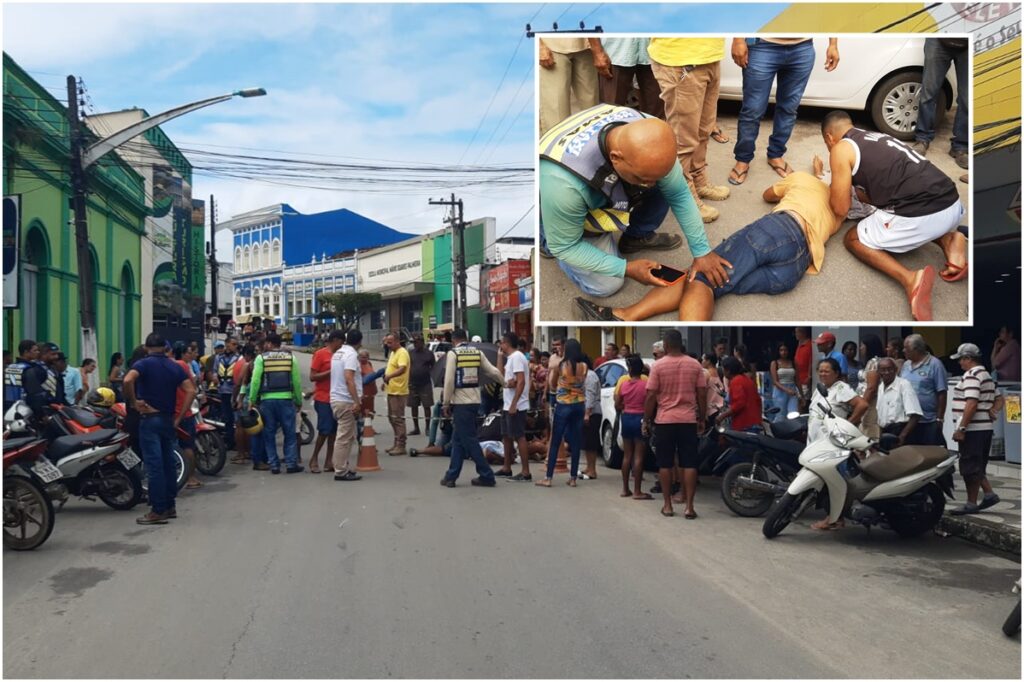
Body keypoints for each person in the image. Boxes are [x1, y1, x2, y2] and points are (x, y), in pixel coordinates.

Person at [574, 172, 842, 322]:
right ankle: (624, 315)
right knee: (712, 279)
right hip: (795, 268)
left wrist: (809, 176)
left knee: (703, 275)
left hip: (779, 231)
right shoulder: (840, 208)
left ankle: (624, 316)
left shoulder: (805, 179)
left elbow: (768, 195)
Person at [539, 104, 730, 299]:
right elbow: (566, 246)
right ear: (616, 158)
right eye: (643, 178)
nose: (651, 185)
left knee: (662, 182)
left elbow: (679, 194)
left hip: (590, 183)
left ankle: (636, 236)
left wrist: (702, 252)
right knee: (607, 285)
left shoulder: (652, 134)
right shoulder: (563, 183)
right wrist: (626, 268)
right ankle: (545, 234)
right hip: (563, 197)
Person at [822, 110, 967, 321]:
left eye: (827, 144)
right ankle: (948, 240)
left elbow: (840, 208)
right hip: (952, 203)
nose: (829, 149)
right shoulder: (877, 136)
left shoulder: (840, 149)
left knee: (853, 239)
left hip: (923, 213)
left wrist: (837, 188)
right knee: (896, 204)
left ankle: (910, 279)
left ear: (829, 137)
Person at [728, 37, 839, 185]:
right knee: (753, 109)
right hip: (763, 46)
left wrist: (833, 44)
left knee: (788, 109)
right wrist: (738, 39)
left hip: (802, 47)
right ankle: (743, 159)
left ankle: (775, 154)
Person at [648, 38, 731, 223]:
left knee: (704, 130)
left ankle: (698, 179)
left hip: (710, 56)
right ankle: (684, 196)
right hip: (680, 60)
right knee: (683, 140)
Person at [123, 333, 195, 525]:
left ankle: (158, 510)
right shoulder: (174, 366)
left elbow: (128, 380)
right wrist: (179, 417)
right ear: (165, 348)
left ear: (147, 348)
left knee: (154, 466)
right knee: (168, 463)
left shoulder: (143, 364)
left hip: (150, 418)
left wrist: (134, 402)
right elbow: (191, 390)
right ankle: (170, 505)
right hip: (168, 419)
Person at [644, 330, 706, 519]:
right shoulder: (695, 364)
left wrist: (646, 419)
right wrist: (702, 418)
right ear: (681, 343)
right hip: (688, 420)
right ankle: (689, 507)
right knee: (689, 464)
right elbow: (702, 393)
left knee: (665, 464)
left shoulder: (658, 366)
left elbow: (651, 395)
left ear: (665, 345)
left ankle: (668, 505)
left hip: (665, 421)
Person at [439, 328, 504, 487]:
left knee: (469, 440)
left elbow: (449, 380)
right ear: (466, 339)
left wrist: (446, 402)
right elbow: (493, 371)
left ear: (453, 340)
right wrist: (505, 383)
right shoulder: (477, 353)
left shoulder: (453, 354)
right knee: (458, 440)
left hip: (461, 403)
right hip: (475, 400)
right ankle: (451, 476)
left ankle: (487, 475)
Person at [948, 343, 1001, 515]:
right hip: (984, 428)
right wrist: (992, 411)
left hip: (973, 429)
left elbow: (971, 403)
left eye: (961, 359)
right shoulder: (986, 375)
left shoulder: (972, 375)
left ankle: (971, 503)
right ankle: (989, 494)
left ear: (968, 358)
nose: (959, 363)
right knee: (977, 465)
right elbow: (1000, 398)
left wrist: (962, 428)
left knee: (970, 467)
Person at [249, 333, 303, 474]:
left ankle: (274, 464)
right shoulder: (291, 358)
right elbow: (296, 382)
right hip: (286, 400)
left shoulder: (261, 358)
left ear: (269, 344)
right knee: (289, 433)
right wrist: (298, 400)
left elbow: (255, 381)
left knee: (269, 433)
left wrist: (252, 400)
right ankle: (291, 464)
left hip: (267, 401)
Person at [911, 38, 968, 170]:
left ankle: (961, 147)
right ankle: (922, 139)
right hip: (938, 40)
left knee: (967, 100)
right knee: (928, 94)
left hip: (970, 44)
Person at [537, 338, 588, 487]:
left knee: (555, 441)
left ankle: (548, 478)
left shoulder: (561, 365)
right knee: (576, 442)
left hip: (563, 404)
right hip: (579, 404)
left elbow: (552, 384)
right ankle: (573, 478)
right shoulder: (584, 366)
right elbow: (582, 382)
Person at [538, 37, 610, 135]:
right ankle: (557, 143)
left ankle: (591, 143)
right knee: (556, 115)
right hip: (551, 46)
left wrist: (598, 50)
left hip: (586, 45)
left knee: (591, 110)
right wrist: (539, 46)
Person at [496, 332, 533, 481]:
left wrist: (514, 404)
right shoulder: (510, 358)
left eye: (501, 343)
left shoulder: (517, 357)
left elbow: (521, 381)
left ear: (506, 343)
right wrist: (499, 357)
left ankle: (525, 472)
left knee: (519, 436)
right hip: (507, 403)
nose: (500, 345)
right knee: (506, 435)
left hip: (516, 405)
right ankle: (507, 467)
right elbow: (499, 376)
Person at [900, 333, 948, 447]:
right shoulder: (906, 365)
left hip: (928, 420)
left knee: (931, 452)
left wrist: (940, 419)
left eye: (906, 348)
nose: (903, 350)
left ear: (916, 349)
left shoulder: (935, 364)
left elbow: (942, 393)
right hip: (908, 421)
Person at [329, 329, 364, 482]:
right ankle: (340, 471)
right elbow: (349, 378)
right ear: (360, 342)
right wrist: (356, 401)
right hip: (345, 400)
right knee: (344, 437)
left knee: (347, 436)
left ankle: (342, 466)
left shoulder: (338, 353)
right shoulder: (351, 355)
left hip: (337, 398)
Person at [598, 37, 664, 118]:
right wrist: (597, 51)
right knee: (611, 112)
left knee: (656, 113)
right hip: (615, 53)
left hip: (654, 51)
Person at [807, 357, 868, 444]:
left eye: (827, 371)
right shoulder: (820, 388)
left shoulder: (841, 387)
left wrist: (847, 426)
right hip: (815, 440)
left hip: (832, 440)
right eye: (821, 371)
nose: (823, 374)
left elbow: (862, 405)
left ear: (836, 373)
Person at [308, 330, 344, 474]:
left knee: (334, 432)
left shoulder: (340, 355)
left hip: (337, 397)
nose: (342, 345)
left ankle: (329, 460)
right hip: (323, 397)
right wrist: (330, 372)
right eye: (341, 342)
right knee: (324, 430)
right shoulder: (320, 354)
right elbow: (312, 376)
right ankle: (314, 458)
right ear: (335, 340)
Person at [615, 355, 651, 499]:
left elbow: (617, 404)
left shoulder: (624, 384)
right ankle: (637, 491)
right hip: (640, 418)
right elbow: (650, 402)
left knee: (627, 455)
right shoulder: (645, 384)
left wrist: (625, 407)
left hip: (627, 418)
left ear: (629, 369)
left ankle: (625, 489)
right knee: (638, 456)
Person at [172, 343, 203, 490]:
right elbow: (192, 387)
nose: (191, 355)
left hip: (171, 411)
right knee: (188, 446)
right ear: (183, 353)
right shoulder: (183, 366)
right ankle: (190, 477)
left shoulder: (169, 365)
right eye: (189, 352)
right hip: (184, 410)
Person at [875, 358, 923, 445]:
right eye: (883, 370)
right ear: (878, 372)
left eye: (890, 369)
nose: (886, 372)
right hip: (884, 433)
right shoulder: (879, 388)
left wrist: (902, 436)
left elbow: (915, 415)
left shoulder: (904, 385)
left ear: (896, 370)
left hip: (900, 432)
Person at [382, 333, 410, 456]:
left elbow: (402, 368)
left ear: (397, 341)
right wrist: (385, 381)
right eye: (386, 342)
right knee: (392, 418)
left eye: (390, 342)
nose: (387, 345)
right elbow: (391, 368)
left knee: (398, 418)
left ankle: (401, 445)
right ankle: (396, 442)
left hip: (399, 390)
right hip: (391, 389)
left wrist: (389, 376)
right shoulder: (393, 353)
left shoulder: (402, 352)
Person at [717, 356, 762, 432]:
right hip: (754, 421)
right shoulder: (746, 379)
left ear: (728, 371)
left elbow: (739, 404)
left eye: (723, 369)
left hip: (743, 423)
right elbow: (758, 400)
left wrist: (722, 416)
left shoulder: (736, 381)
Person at [213, 338, 241, 452]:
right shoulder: (218, 358)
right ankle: (230, 441)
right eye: (228, 345)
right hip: (223, 390)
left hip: (234, 391)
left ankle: (238, 442)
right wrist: (215, 377)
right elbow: (215, 371)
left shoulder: (239, 358)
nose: (230, 347)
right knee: (227, 418)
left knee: (236, 419)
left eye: (233, 344)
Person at [856, 334, 885, 439]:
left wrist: (861, 406)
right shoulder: (873, 362)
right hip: (868, 403)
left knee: (869, 432)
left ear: (869, 346)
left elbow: (871, 388)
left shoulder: (874, 362)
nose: (860, 348)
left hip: (871, 404)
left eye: (862, 346)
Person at [407, 335, 436, 436]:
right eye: (414, 342)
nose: (415, 344)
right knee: (413, 406)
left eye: (416, 342)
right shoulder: (411, 353)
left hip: (425, 384)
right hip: (413, 383)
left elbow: (434, 366)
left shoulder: (429, 353)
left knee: (427, 406)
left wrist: (429, 374)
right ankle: (416, 428)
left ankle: (427, 428)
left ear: (422, 342)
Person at [581, 356, 602, 480]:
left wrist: (587, 413)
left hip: (592, 413)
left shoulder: (590, 376)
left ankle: (592, 470)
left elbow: (590, 395)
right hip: (587, 412)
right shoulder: (584, 375)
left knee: (591, 442)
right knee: (587, 442)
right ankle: (589, 467)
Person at [770, 343, 799, 421]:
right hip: (780, 391)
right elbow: (775, 381)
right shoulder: (775, 363)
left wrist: (801, 395)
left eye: (785, 350)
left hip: (792, 389)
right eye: (781, 350)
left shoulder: (793, 362)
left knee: (793, 414)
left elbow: (797, 380)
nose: (783, 352)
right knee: (780, 415)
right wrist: (786, 390)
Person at [358, 349, 378, 418]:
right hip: (363, 391)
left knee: (370, 411)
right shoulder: (358, 365)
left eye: (365, 357)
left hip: (371, 391)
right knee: (362, 411)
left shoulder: (369, 363)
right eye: (361, 357)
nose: (363, 359)